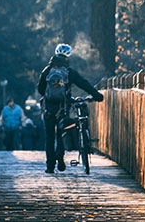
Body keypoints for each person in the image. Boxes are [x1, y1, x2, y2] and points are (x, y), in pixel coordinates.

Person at [37, 43, 104, 173]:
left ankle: (50, 167)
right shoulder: (69, 72)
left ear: (56, 54)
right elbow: (84, 84)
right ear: (68, 58)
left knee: (50, 137)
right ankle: (60, 157)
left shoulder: (47, 70)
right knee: (62, 133)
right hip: (63, 108)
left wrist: (49, 95)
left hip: (49, 109)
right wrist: (96, 95)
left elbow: (40, 89)